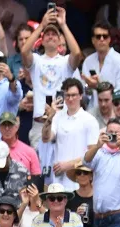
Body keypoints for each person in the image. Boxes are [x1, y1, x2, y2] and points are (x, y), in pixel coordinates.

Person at [21, 6, 84, 147]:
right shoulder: (36, 60)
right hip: (40, 123)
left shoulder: (65, 61)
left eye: (54, 34)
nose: (50, 36)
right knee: (39, 167)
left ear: (59, 41)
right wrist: (42, 25)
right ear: (42, 41)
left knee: (60, 165)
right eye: (47, 34)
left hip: (61, 121)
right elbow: (24, 51)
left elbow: (77, 53)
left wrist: (63, 24)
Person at [42, 78, 100, 191]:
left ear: (81, 96)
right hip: (58, 181)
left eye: (74, 95)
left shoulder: (89, 120)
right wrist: (50, 117)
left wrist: (69, 165)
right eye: (67, 95)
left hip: (79, 180)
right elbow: (46, 138)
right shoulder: (58, 117)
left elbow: (93, 154)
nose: (70, 99)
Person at [81, 21, 120, 110]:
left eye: (105, 36)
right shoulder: (88, 61)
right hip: (92, 111)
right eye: (98, 36)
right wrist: (89, 87)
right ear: (93, 40)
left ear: (109, 39)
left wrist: (99, 86)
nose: (102, 39)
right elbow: (84, 95)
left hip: (112, 112)